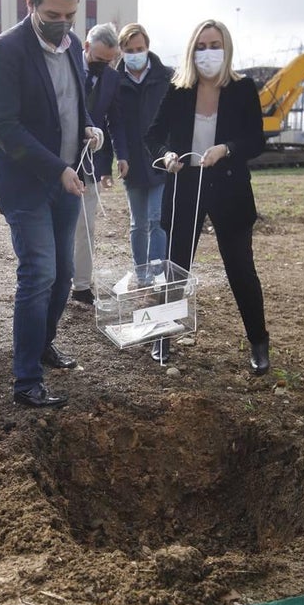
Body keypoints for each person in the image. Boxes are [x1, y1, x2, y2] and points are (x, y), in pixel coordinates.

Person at [0, 0, 104, 408]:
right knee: (39, 273)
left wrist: (90, 129)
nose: (62, 24)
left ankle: (43, 343)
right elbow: (5, 127)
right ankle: (26, 380)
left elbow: (75, 105)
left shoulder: (73, 47)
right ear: (30, 3)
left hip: (67, 178)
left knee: (65, 276)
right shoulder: (5, 51)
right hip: (26, 182)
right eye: (53, 15)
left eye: (70, 16)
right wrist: (56, 167)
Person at [145, 18, 271, 375]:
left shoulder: (243, 88)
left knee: (241, 269)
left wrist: (227, 149)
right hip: (185, 185)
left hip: (229, 187)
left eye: (214, 45)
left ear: (226, 48)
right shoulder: (179, 88)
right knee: (175, 269)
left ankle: (258, 341)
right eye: (201, 46)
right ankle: (163, 336)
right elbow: (153, 135)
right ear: (191, 51)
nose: (207, 53)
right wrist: (166, 155)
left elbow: (256, 140)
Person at [70, 22, 129, 306]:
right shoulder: (65, 66)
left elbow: (116, 119)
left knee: (86, 226)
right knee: (58, 226)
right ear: (86, 47)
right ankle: (53, 281)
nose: (103, 65)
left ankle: (81, 285)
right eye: (98, 59)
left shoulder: (112, 78)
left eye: (110, 61)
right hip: (58, 158)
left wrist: (122, 154)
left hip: (89, 162)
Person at [115, 22, 172, 282]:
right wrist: (120, 156)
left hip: (161, 160)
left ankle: (157, 272)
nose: (135, 53)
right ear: (122, 50)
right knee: (138, 224)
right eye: (129, 49)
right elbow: (113, 123)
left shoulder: (166, 77)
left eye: (139, 48)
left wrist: (171, 152)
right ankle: (141, 274)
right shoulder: (115, 82)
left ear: (147, 47)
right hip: (132, 164)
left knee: (156, 220)